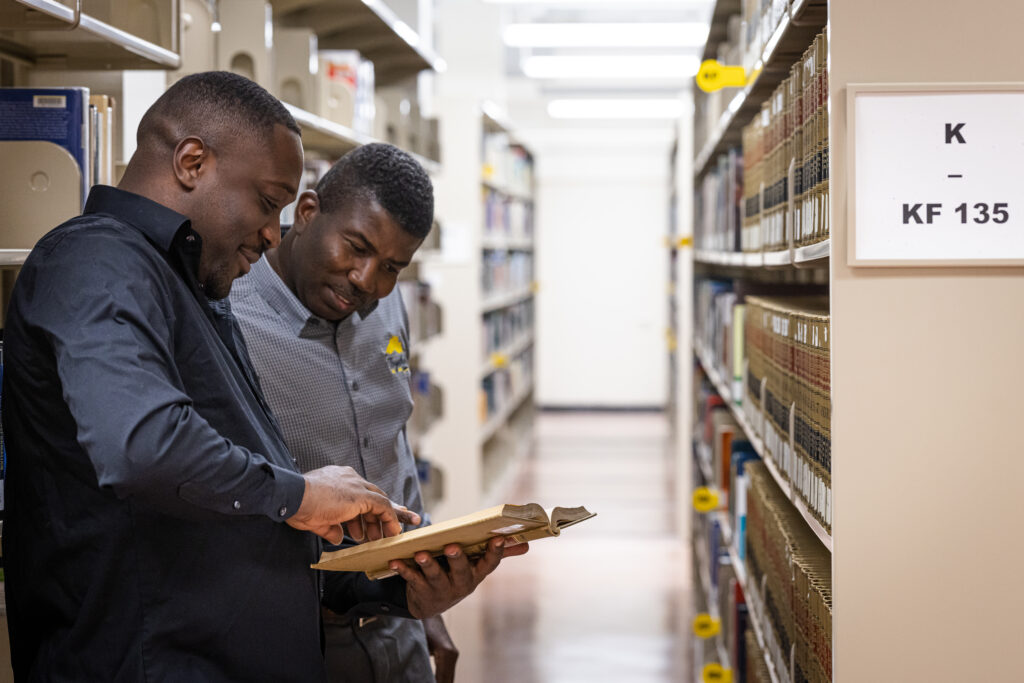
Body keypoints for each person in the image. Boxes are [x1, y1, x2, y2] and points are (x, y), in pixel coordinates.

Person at [1, 72, 420, 682]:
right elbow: (143, 445)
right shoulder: (95, 260)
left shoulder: (192, 284)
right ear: (192, 162)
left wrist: (393, 588)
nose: (274, 233)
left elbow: (226, 511)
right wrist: (302, 494)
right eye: (267, 201)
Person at [229, 142, 527, 682]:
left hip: (398, 626)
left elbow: (393, 444)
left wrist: (424, 599)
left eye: (392, 265)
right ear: (308, 211)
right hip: (295, 632)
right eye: (356, 247)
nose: (367, 281)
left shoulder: (386, 306)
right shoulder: (228, 314)